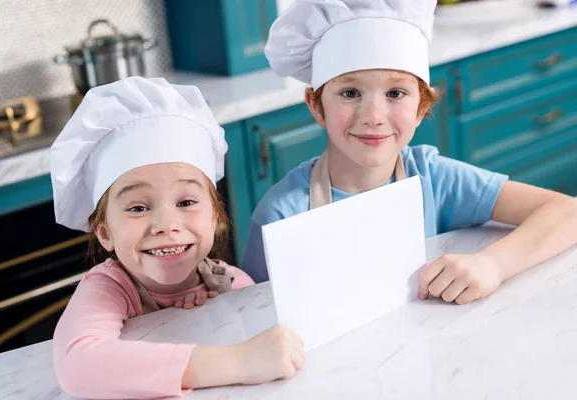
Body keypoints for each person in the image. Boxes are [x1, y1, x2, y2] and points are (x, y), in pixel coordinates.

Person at [242, 0, 577, 305]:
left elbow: (567, 212)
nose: (373, 116)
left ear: (421, 107)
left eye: (396, 92)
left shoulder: (434, 178)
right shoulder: (280, 216)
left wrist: (492, 263)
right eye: (349, 92)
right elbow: (252, 312)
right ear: (316, 106)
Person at [51, 77, 305, 399]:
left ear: (213, 217)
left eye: (186, 202)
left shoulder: (230, 282)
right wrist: (237, 361)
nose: (166, 225)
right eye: (139, 207)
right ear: (105, 233)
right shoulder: (109, 288)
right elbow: (78, 365)